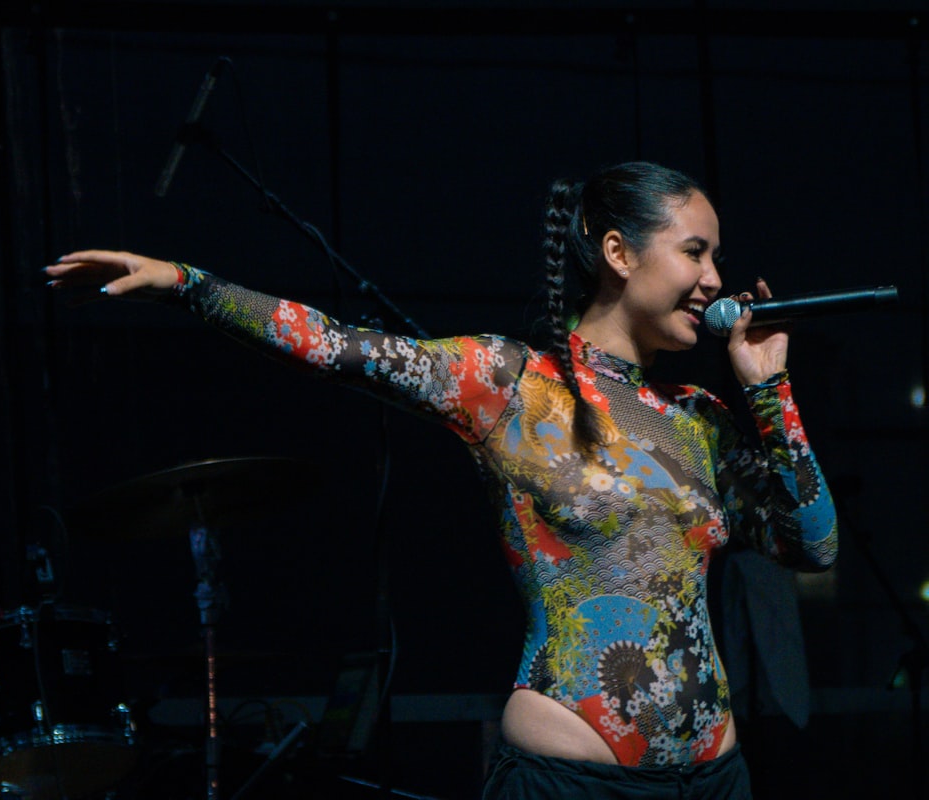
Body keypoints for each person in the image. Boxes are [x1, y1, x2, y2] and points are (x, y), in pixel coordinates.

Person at [44, 161, 837, 799]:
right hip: (569, 779)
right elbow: (335, 344)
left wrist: (769, 389)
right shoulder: (508, 382)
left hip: (717, 777)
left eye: (716, 255)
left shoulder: (699, 416)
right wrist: (188, 282)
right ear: (620, 254)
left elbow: (814, 543)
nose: (714, 278)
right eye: (695, 251)